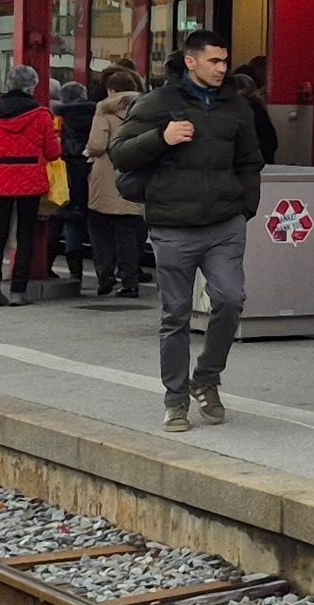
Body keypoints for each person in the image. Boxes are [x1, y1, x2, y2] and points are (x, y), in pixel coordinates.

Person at [116, 31, 277, 432]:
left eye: (225, 61)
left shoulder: (236, 106)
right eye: (214, 61)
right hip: (173, 227)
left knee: (231, 300)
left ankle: (206, 376)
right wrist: (161, 138)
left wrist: (245, 209)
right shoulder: (158, 103)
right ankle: (175, 401)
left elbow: (251, 160)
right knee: (175, 315)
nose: (223, 69)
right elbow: (119, 152)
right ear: (191, 62)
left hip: (225, 224)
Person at [0, 68, 64, 308]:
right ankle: (18, 292)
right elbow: (53, 152)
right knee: (25, 235)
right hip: (30, 181)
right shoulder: (42, 115)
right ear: (31, 87)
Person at [85, 67, 151, 297]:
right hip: (135, 172)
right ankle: (130, 282)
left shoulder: (103, 110)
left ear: (111, 89)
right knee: (129, 233)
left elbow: (96, 144)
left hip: (106, 174)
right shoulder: (147, 108)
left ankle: (105, 276)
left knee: (100, 228)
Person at [48, 66, 97, 291]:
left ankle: (71, 272)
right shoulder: (97, 115)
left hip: (63, 173)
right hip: (90, 172)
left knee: (59, 220)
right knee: (91, 223)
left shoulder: (58, 117)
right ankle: (103, 273)